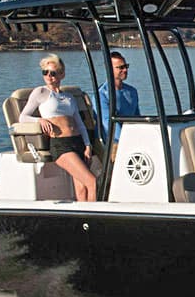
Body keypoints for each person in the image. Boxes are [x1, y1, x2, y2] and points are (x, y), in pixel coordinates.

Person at [19, 54, 97, 202]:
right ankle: (96, 220)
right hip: (61, 145)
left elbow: (79, 123)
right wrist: (40, 120)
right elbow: (23, 117)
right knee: (92, 182)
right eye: (45, 72)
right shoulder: (40, 92)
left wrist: (87, 145)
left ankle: (83, 220)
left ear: (62, 74)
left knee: (81, 188)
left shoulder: (69, 97)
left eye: (53, 73)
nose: (49, 76)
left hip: (77, 142)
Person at [97, 51, 140, 142]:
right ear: (109, 69)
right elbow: (108, 124)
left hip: (132, 138)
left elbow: (138, 118)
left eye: (126, 66)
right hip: (112, 143)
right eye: (121, 67)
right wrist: (125, 141)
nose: (125, 70)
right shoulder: (101, 95)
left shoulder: (132, 91)